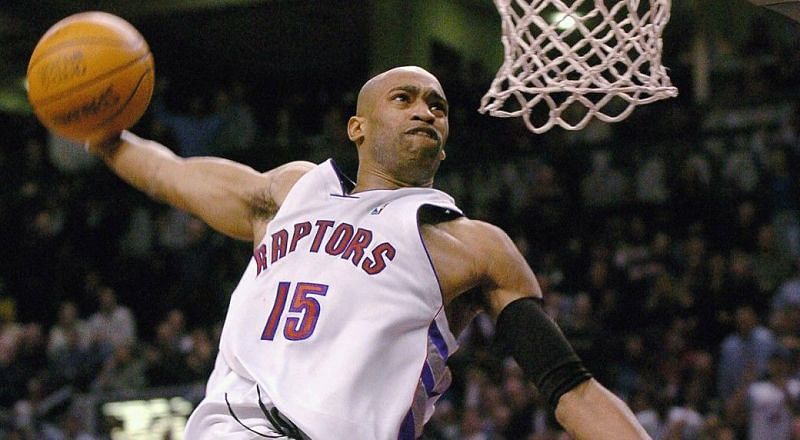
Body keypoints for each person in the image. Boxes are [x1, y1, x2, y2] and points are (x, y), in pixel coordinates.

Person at [85, 66, 650, 440]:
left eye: (437, 105)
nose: (425, 110)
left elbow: (569, 387)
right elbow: (168, 174)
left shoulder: (470, 243)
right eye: (403, 99)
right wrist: (97, 128)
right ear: (357, 127)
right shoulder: (290, 192)